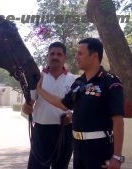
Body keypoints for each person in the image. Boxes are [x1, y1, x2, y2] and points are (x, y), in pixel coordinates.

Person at [36, 38, 125, 169]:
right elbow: (63, 104)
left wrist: (117, 157)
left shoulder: (110, 82)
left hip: (99, 148)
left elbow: (118, 121)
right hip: (78, 148)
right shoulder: (79, 82)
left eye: (80, 53)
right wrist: (40, 90)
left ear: (94, 55)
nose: (76, 57)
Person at [22, 42, 77, 169]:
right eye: (52, 54)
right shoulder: (38, 78)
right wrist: (27, 107)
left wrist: (71, 115)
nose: (55, 57)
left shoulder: (74, 80)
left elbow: (78, 108)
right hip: (41, 132)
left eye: (59, 54)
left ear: (64, 57)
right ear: (47, 56)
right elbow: (27, 107)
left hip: (65, 132)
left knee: (61, 166)